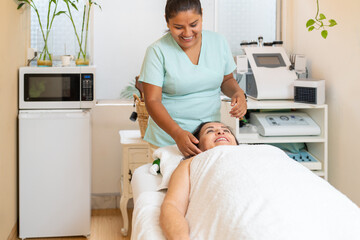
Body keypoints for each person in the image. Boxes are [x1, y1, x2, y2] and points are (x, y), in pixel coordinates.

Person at [139, 0, 247, 157]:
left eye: (193, 24)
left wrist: (238, 92)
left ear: (202, 15)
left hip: (208, 142)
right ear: (167, 21)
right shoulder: (157, 51)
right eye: (178, 27)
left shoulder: (218, 42)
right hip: (168, 141)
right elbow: (152, 101)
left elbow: (226, 80)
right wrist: (177, 134)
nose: (187, 33)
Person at [159, 121, 237, 239]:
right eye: (210, 131)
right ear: (197, 146)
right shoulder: (191, 163)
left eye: (226, 131)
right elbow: (172, 206)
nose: (221, 132)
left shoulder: (258, 153)